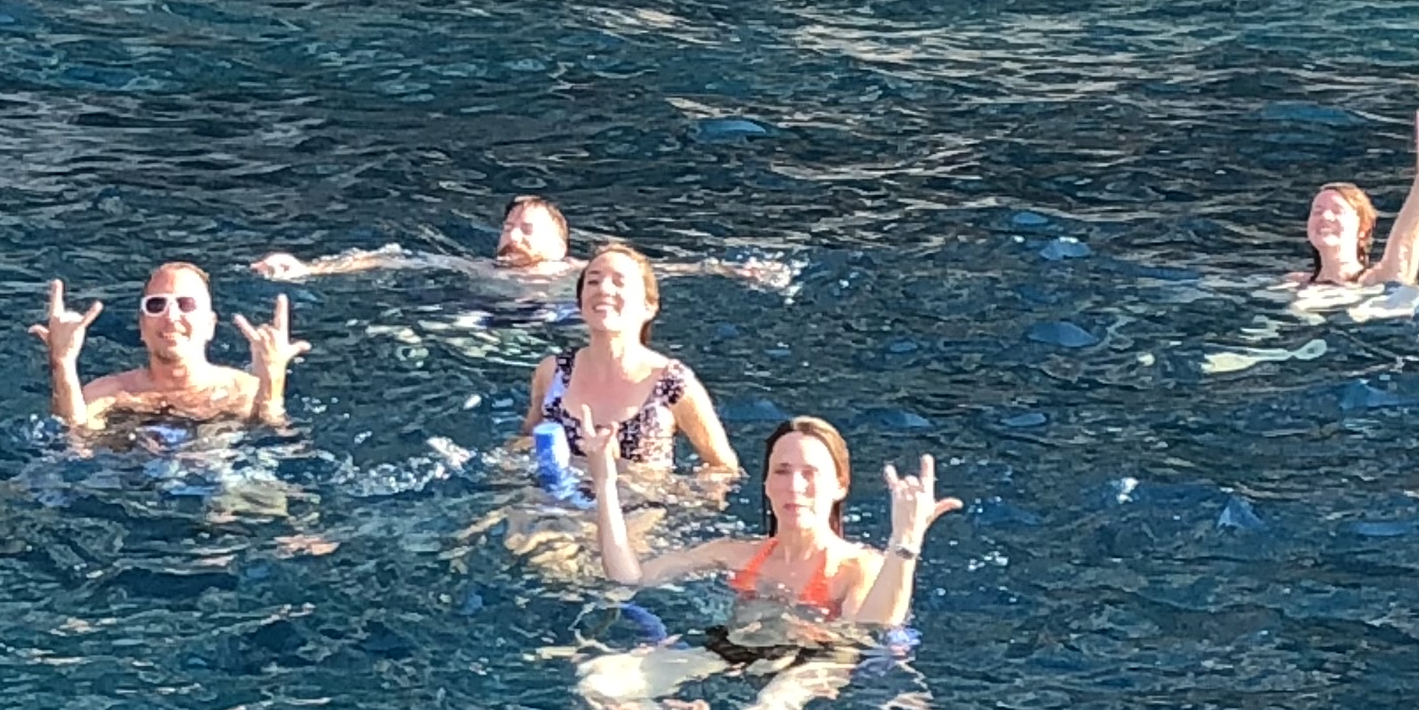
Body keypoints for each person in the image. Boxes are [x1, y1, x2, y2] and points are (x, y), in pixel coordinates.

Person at [582, 415, 953, 635]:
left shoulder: (859, 568)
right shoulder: (732, 554)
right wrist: (604, 480)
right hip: (731, 656)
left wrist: (905, 543)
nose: (794, 486)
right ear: (766, 483)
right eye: (782, 471)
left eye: (810, 473)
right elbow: (628, 578)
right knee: (605, 680)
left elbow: (871, 633)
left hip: (811, 671)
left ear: (840, 485)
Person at [516, 244, 740, 481]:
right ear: (580, 305)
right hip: (553, 506)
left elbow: (724, 468)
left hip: (637, 510)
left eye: (619, 282)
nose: (603, 289)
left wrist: (627, 474)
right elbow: (528, 439)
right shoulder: (552, 373)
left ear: (649, 307)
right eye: (593, 281)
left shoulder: (673, 384)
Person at [36, 264, 302, 442]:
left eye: (186, 305)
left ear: (210, 326)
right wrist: (63, 363)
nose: (171, 316)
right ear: (142, 326)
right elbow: (73, 439)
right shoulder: (110, 393)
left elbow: (273, 436)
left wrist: (273, 377)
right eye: (156, 305)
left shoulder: (245, 390)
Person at [1300, 107, 1419, 298]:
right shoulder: (1294, 283)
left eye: (1337, 211)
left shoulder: (1378, 280)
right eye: (1317, 211)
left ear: (1363, 229)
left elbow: (1406, 237)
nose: (1325, 216)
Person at [256, 197, 573, 283]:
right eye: (506, 228)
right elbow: (394, 258)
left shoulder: (578, 275)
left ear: (559, 247)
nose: (512, 236)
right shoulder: (482, 269)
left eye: (526, 230)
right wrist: (309, 268)